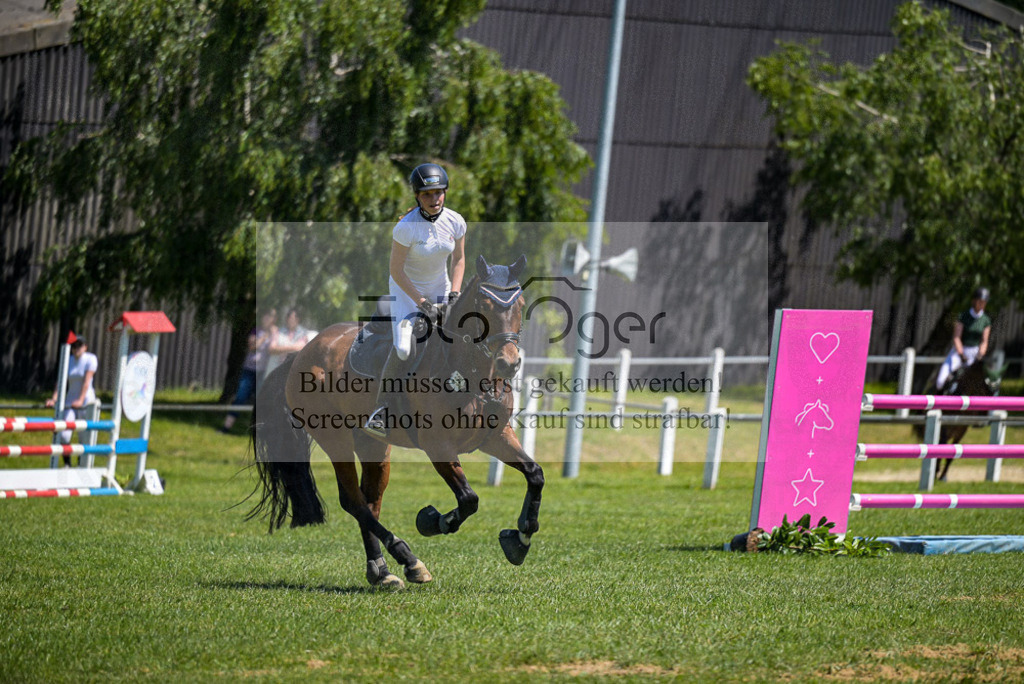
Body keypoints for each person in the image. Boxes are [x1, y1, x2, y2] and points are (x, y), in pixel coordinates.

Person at [364, 162, 466, 440]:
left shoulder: (456, 221)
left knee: (461, 336)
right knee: (403, 348)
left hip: (441, 288)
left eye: (438, 192)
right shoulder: (405, 228)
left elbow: (459, 260)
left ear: (445, 192)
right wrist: (422, 302)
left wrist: (454, 294)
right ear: (417, 196)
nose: (434, 199)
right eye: (427, 194)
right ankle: (381, 409)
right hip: (406, 292)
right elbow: (396, 271)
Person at [221, 308, 277, 433]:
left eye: (270, 317)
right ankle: (226, 427)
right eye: (266, 316)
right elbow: (252, 347)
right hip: (249, 370)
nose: (267, 319)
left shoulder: (275, 333)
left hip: (264, 372)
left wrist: (273, 334)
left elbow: (275, 348)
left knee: (262, 400)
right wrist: (264, 337)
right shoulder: (256, 331)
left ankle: (259, 431)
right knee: (240, 397)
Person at [45, 337, 98, 466]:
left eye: (79, 345)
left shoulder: (91, 359)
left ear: (85, 347)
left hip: (86, 401)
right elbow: (60, 381)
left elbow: (86, 381)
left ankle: (81, 464)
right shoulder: (68, 360)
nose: (76, 348)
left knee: (84, 437)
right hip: (70, 401)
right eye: (74, 346)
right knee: (63, 435)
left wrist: (80, 400)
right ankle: (67, 464)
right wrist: (54, 399)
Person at [936, 287, 992, 391]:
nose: (982, 304)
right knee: (941, 380)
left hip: (975, 353)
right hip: (960, 351)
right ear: (974, 301)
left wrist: (980, 354)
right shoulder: (963, 316)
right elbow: (956, 337)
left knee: (987, 381)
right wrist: (961, 354)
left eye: (984, 302)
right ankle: (939, 396)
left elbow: (984, 341)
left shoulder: (986, 320)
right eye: (980, 301)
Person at [264, 308, 314, 379]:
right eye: (290, 318)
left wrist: (279, 349)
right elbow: (271, 349)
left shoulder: (303, 334)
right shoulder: (278, 331)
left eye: (294, 318)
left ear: (298, 320)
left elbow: (300, 348)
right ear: (287, 318)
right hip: (273, 370)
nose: (292, 320)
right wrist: (293, 348)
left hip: (288, 374)